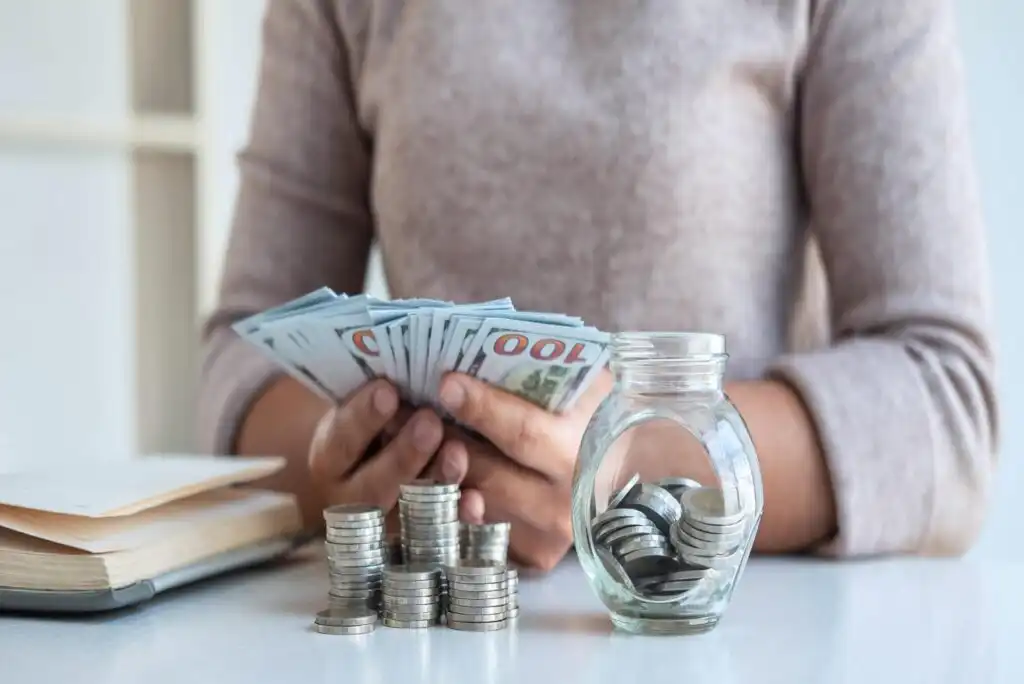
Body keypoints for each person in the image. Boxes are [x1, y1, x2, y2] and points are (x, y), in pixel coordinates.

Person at [199, 0, 998, 571]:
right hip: (435, 626)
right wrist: (339, 465)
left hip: (731, 635)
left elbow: (944, 402)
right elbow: (240, 357)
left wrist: (621, 461)